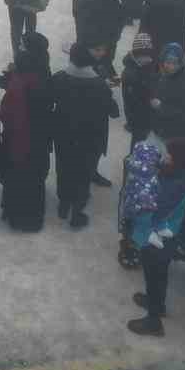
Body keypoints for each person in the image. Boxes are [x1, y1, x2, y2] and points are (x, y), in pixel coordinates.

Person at [124, 139, 185, 337]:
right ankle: (158, 304)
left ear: (177, 158)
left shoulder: (172, 182)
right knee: (160, 271)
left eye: (169, 154)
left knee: (154, 273)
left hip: (157, 235)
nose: (164, 157)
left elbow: (152, 207)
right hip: (172, 230)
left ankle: (153, 322)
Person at [50, 41, 117, 229]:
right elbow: (113, 111)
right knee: (83, 171)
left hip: (64, 134)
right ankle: (78, 211)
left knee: (64, 167)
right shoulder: (99, 85)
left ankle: (64, 203)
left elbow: (49, 98)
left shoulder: (60, 79)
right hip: (91, 137)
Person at [0, 33, 53, 231]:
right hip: (38, 139)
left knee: (17, 177)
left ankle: (16, 215)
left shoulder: (20, 83)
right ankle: (32, 218)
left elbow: (6, 113)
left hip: (19, 139)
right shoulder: (44, 74)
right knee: (34, 180)